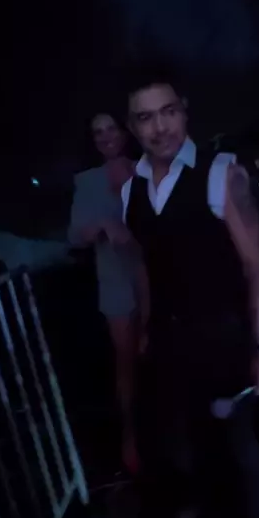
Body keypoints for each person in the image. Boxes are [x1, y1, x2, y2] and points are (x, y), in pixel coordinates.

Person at [120, 69, 259, 518]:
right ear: (132, 126)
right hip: (172, 344)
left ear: (184, 110)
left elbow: (257, 267)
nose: (160, 127)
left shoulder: (220, 173)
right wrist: (147, 331)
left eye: (168, 112)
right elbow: (146, 265)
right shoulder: (131, 191)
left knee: (238, 447)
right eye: (146, 117)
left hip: (224, 338)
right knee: (192, 444)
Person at [68, 113, 149, 474]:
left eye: (110, 128)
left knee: (164, 353)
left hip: (157, 276)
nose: (105, 137)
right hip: (116, 282)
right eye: (97, 132)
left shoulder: (147, 169)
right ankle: (131, 437)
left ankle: (174, 433)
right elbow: (75, 236)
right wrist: (101, 225)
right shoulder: (87, 181)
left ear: (124, 131)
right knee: (126, 362)